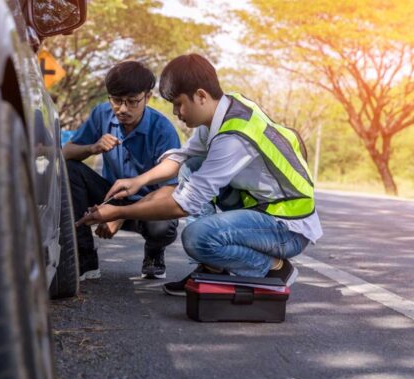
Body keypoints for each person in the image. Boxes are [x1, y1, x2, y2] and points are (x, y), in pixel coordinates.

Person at [76, 54, 323, 296]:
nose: (176, 112)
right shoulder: (225, 109)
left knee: (197, 238)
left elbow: (185, 204)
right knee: (192, 165)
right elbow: (181, 157)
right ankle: (210, 268)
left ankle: (273, 267)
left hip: (287, 228)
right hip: (262, 209)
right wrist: (137, 181)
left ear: (201, 96)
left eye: (179, 103)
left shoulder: (233, 137)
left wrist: (118, 212)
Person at [63, 60, 181, 281]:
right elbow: (66, 152)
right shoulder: (102, 114)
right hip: (111, 196)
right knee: (70, 170)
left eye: (132, 101)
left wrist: (119, 215)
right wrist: (92, 147)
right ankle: (85, 259)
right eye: (116, 100)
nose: (123, 109)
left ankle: (154, 252)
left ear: (147, 97)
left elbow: (171, 190)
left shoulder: (163, 129)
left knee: (162, 228)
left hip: (149, 204)